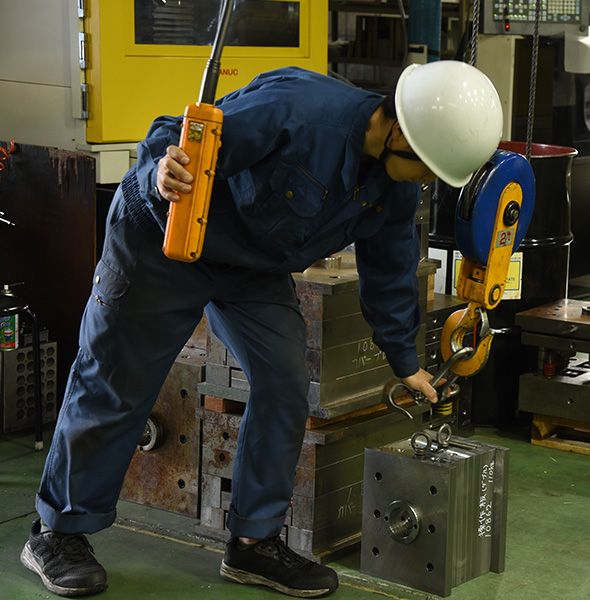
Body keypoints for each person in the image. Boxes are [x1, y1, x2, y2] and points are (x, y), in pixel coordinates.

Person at [20, 61, 503, 598]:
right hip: (163, 233)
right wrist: (161, 170)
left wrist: (406, 362)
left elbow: (390, 272)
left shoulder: (395, 188)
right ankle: (56, 533)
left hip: (250, 265)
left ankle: (253, 542)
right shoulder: (300, 111)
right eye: (429, 169)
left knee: (285, 384)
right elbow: (174, 134)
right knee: (116, 377)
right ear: (400, 134)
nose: (428, 181)